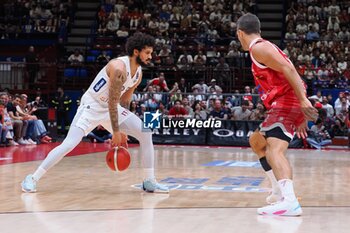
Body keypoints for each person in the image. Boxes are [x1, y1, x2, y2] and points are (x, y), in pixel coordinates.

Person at [21, 32, 169, 193]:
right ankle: (32, 178)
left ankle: (149, 181)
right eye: (147, 52)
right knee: (69, 144)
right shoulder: (118, 68)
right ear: (136, 52)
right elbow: (112, 102)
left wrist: (123, 126)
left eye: (151, 53)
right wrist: (116, 132)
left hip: (111, 109)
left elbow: (124, 101)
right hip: (92, 106)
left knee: (145, 132)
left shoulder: (138, 74)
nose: (151, 56)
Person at [237, 13, 318, 216]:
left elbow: (289, 69)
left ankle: (289, 201)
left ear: (240, 33)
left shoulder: (259, 48)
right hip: (284, 103)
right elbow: (289, 73)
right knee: (257, 141)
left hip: (287, 102)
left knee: (274, 150)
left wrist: (302, 102)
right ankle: (277, 192)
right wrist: (301, 113)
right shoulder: (261, 49)